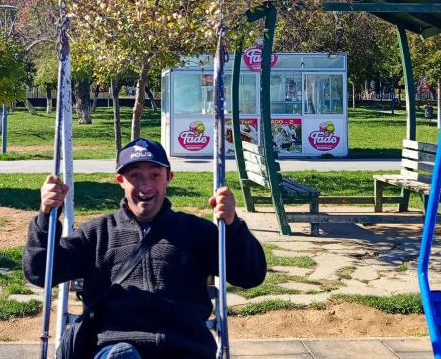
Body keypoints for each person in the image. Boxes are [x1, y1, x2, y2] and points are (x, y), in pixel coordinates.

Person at [23, 138, 267, 359]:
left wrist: (232, 225)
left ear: (169, 178)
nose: (145, 185)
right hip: (114, 347)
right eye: (135, 176)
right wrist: (46, 217)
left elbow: (251, 275)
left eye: (155, 175)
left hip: (183, 348)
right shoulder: (96, 233)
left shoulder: (196, 232)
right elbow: (39, 272)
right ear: (121, 181)